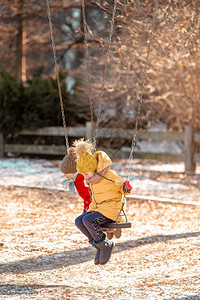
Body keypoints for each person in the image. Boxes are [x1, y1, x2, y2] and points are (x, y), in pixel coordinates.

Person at [73, 139, 132, 265]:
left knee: (88, 220)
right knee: (79, 221)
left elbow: (123, 190)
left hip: (112, 210)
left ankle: (105, 244)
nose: (86, 178)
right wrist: (89, 211)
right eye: (83, 175)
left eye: (87, 174)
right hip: (101, 209)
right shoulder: (93, 181)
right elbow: (95, 199)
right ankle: (99, 245)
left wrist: (126, 187)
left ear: (94, 169)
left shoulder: (109, 175)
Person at [60, 147, 91, 212]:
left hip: (93, 206)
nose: (64, 175)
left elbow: (90, 197)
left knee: (82, 220)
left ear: (74, 171)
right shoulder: (77, 179)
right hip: (88, 205)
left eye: (66, 173)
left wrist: (88, 210)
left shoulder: (83, 179)